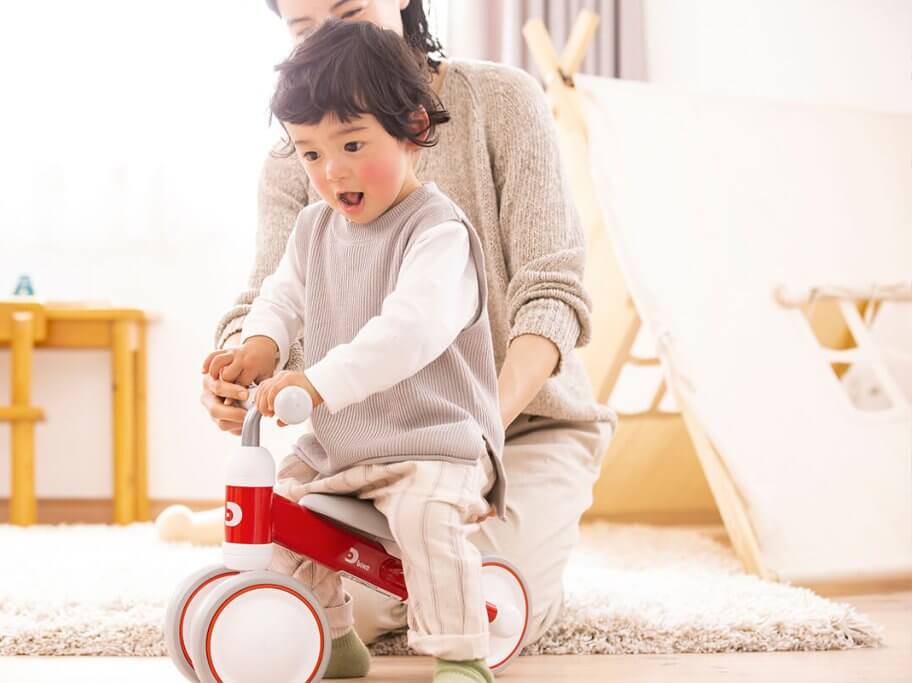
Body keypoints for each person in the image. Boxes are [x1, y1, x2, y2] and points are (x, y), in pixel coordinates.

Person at [200, 0, 615, 660]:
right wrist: (244, 358)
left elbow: (546, 293)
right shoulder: (301, 165)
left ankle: (461, 618)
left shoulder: (496, 110)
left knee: (484, 602)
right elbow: (273, 295)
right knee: (307, 589)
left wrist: (478, 429)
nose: (331, 169)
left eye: (349, 10)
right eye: (305, 28)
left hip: (503, 429)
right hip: (366, 444)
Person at [233, 19, 509, 681]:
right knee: (283, 514)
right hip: (342, 444)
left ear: (413, 129)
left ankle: (462, 651)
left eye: (352, 144)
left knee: (426, 520)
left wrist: (320, 381)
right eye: (310, 154)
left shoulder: (437, 232)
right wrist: (260, 342)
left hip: (433, 440)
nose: (333, 172)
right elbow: (281, 293)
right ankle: (330, 638)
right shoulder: (314, 227)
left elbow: (408, 330)